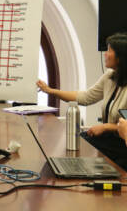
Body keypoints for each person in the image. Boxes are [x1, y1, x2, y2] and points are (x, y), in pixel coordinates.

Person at [36, 32, 127, 169]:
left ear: (120, 57)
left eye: (109, 50)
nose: (105, 54)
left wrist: (106, 127)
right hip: (107, 139)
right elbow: (85, 97)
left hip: (121, 145)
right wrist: (50, 91)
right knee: (77, 145)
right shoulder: (109, 77)